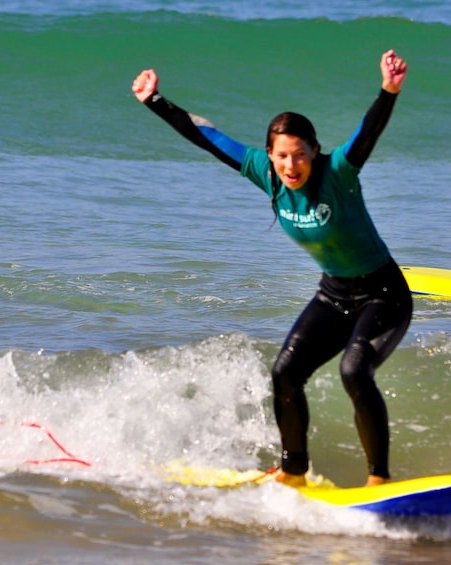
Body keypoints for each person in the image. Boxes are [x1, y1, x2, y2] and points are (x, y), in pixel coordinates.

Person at [131, 50, 413, 487]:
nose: (290, 166)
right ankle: (293, 470)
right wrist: (155, 100)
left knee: (354, 372)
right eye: (281, 156)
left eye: (299, 155)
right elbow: (208, 137)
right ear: (270, 155)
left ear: (314, 152)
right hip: (334, 294)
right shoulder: (264, 173)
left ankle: (379, 479)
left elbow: (366, 134)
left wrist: (388, 90)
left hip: (384, 295)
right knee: (284, 374)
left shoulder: (336, 172)